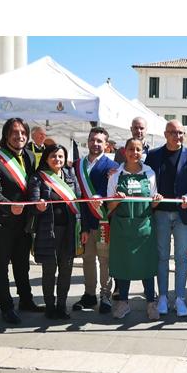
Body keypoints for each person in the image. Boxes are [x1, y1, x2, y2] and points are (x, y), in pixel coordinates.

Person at [0, 117, 45, 324]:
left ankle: (26, 300)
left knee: (22, 265)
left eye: (23, 133)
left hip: (24, 223)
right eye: (15, 133)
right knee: (1, 267)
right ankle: (6, 307)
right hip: (3, 223)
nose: (20, 136)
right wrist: (10, 205)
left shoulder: (28, 156)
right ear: (6, 135)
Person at [146, 120, 187, 317]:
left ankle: (180, 298)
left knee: (182, 259)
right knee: (161, 257)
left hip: (183, 214)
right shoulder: (153, 155)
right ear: (165, 134)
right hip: (160, 213)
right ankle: (162, 297)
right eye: (173, 132)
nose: (177, 136)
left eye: (180, 133)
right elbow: (144, 179)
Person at [27, 144, 86, 319]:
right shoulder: (38, 178)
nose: (57, 160)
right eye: (53, 156)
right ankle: (50, 306)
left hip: (69, 231)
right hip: (48, 231)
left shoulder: (70, 176)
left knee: (66, 269)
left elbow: (78, 202)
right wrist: (38, 205)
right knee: (49, 271)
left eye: (60, 156)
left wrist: (82, 228)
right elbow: (33, 204)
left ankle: (62, 305)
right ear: (46, 157)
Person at [107, 138, 162, 320]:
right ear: (124, 151)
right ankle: (123, 303)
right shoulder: (115, 175)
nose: (134, 153)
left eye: (138, 149)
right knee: (123, 265)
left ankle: (151, 304)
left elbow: (152, 204)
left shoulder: (150, 173)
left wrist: (156, 202)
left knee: (147, 265)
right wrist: (117, 199)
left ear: (142, 152)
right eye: (131, 149)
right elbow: (109, 207)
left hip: (143, 227)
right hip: (122, 228)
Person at [72, 127, 119, 313]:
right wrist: (81, 225)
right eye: (92, 140)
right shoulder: (77, 165)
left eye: (100, 141)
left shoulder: (112, 167)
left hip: (103, 221)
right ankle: (89, 295)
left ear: (106, 145)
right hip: (84, 221)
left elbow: (113, 193)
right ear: (87, 141)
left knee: (105, 259)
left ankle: (105, 295)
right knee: (88, 259)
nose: (95, 143)